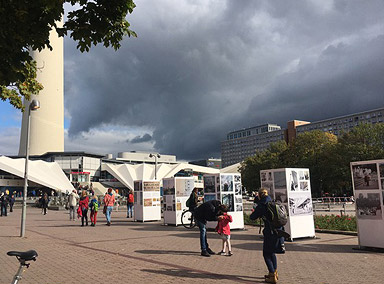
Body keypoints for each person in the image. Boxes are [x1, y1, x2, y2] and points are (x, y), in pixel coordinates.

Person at [251, 188, 284, 284]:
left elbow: (252, 217)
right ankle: (274, 272)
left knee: (266, 253)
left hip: (270, 232)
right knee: (272, 252)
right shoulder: (271, 201)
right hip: (278, 230)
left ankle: (272, 275)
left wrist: (256, 207)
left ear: (259, 195)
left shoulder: (262, 205)